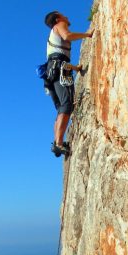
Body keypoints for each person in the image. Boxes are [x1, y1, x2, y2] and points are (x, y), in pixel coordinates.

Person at [44, 11, 92, 157]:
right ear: (58, 19)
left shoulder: (52, 38)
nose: (67, 16)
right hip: (59, 70)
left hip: (51, 72)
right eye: (64, 15)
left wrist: (76, 68)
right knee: (66, 105)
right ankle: (58, 143)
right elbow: (67, 36)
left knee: (61, 108)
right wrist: (88, 34)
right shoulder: (59, 25)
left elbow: (58, 57)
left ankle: (57, 142)